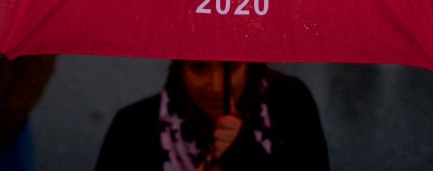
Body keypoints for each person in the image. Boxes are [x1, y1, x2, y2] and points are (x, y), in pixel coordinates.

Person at [96, 61, 329, 170]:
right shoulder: (133, 127)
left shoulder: (289, 103)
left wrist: (246, 157)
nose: (216, 87)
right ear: (179, 70)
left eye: (231, 66)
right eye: (199, 68)